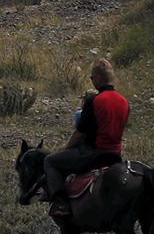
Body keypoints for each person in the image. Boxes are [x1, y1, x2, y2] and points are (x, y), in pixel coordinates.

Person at [43, 58, 130, 213]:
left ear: (98, 77)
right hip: (116, 155)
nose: (91, 81)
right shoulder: (124, 102)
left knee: (50, 161)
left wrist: (64, 149)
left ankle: (61, 203)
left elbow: (80, 133)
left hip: (93, 154)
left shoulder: (94, 100)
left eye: (92, 78)